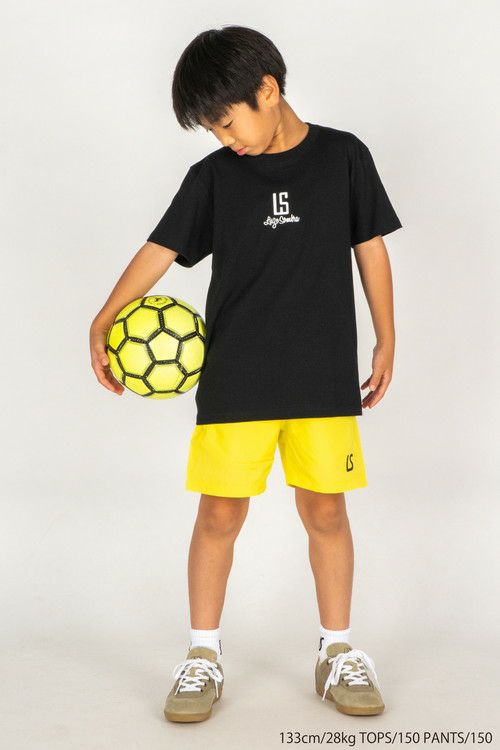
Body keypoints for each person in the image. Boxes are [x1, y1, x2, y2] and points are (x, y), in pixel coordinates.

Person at [89, 24, 403, 723]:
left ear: (268, 89)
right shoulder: (213, 178)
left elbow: (371, 249)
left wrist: (387, 338)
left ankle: (337, 650)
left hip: (323, 375)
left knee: (326, 511)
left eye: (227, 122)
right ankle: (203, 654)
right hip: (237, 379)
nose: (224, 139)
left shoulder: (344, 157)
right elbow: (160, 249)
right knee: (219, 514)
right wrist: (104, 316)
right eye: (211, 131)